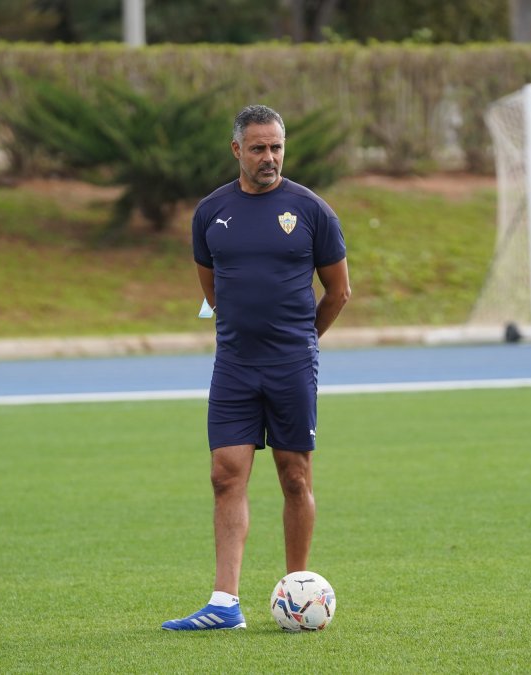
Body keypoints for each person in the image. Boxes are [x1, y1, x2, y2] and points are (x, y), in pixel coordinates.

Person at [162, 104, 350, 631]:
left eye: (277, 148)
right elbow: (212, 289)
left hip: (292, 366)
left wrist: (302, 343)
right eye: (259, 148)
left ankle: (299, 592)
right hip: (235, 367)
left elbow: (338, 293)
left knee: (294, 477)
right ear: (236, 150)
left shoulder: (312, 211)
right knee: (225, 476)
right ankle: (224, 604)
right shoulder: (211, 212)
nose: (269, 157)